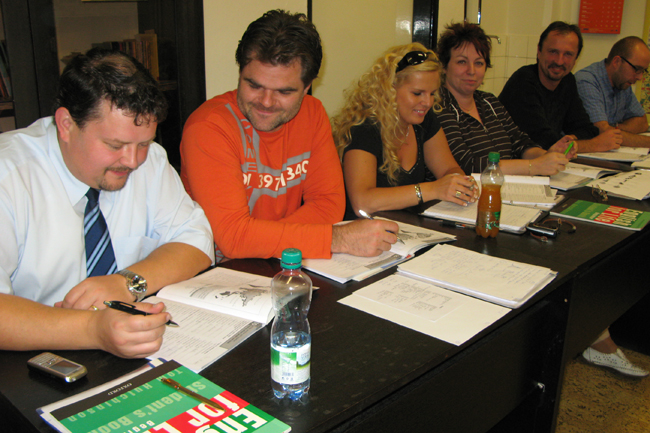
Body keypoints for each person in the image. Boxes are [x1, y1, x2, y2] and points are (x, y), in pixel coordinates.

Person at [0, 48, 215, 359]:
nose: (132, 161)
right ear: (66, 125)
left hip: (130, 348)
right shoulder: (9, 176)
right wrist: (92, 329)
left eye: (144, 143)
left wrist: (127, 283)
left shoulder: (149, 161)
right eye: (115, 145)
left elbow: (196, 242)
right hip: (31, 358)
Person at [181, 9, 398, 261]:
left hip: (279, 261)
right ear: (240, 73)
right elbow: (234, 238)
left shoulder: (312, 112)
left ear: (307, 87)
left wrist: (262, 241)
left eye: (284, 92)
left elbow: (329, 203)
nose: (266, 102)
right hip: (220, 268)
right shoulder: (208, 127)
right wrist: (336, 239)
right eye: (254, 85)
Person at [331, 43, 477, 220]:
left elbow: (449, 168)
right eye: (417, 93)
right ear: (389, 89)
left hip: (405, 227)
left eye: (432, 93)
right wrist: (433, 189)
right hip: (362, 229)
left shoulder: (424, 120)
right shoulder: (364, 128)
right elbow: (362, 201)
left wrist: (458, 184)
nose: (427, 102)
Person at [435, 22, 575, 176]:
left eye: (479, 63)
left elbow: (520, 143)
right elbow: (467, 165)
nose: (471, 71)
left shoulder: (489, 102)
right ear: (444, 66)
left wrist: (548, 155)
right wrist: (533, 166)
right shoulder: (438, 107)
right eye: (462, 62)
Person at [499, 21, 623, 153]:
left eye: (568, 54)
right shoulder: (523, 82)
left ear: (576, 59)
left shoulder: (567, 81)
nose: (559, 61)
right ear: (539, 51)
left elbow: (587, 130)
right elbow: (544, 141)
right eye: (553, 52)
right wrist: (594, 145)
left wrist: (571, 141)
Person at [576, 36, 650, 148]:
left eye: (643, 71)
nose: (639, 77)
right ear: (617, 62)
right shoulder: (587, 81)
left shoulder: (623, 82)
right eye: (636, 69)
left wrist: (614, 127)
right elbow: (601, 131)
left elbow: (642, 123)